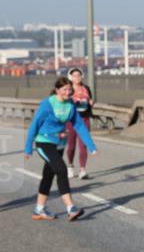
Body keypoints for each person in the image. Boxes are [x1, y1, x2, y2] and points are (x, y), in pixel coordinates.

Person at [24, 77, 97, 221]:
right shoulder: (47, 104)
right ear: (57, 90)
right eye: (64, 89)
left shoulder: (70, 105)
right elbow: (35, 125)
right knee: (62, 170)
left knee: (48, 176)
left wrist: (91, 146)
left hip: (59, 144)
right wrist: (28, 148)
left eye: (70, 89)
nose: (68, 92)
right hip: (44, 143)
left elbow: (79, 126)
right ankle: (71, 208)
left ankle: (39, 210)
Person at [65, 67, 95, 179]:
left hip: (84, 119)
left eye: (79, 75)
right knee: (71, 146)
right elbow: (62, 102)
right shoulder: (67, 89)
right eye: (74, 75)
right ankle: (70, 166)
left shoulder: (86, 88)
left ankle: (83, 170)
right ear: (70, 77)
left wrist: (91, 103)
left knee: (83, 145)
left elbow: (90, 101)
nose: (77, 77)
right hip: (71, 121)